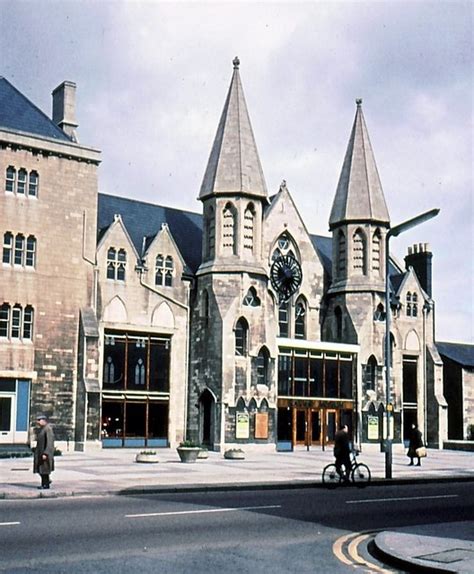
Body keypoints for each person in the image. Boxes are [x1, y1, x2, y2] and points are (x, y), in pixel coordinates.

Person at [33, 414, 55, 489]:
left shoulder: (48, 429)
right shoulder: (42, 429)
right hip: (40, 452)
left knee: (44, 469)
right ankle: (46, 482)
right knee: (41, 469)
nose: (38, 422)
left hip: (45, 453)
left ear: (43, 420)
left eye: (39, 420)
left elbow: (50, 442)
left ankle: (45, 484)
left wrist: (46, 453)